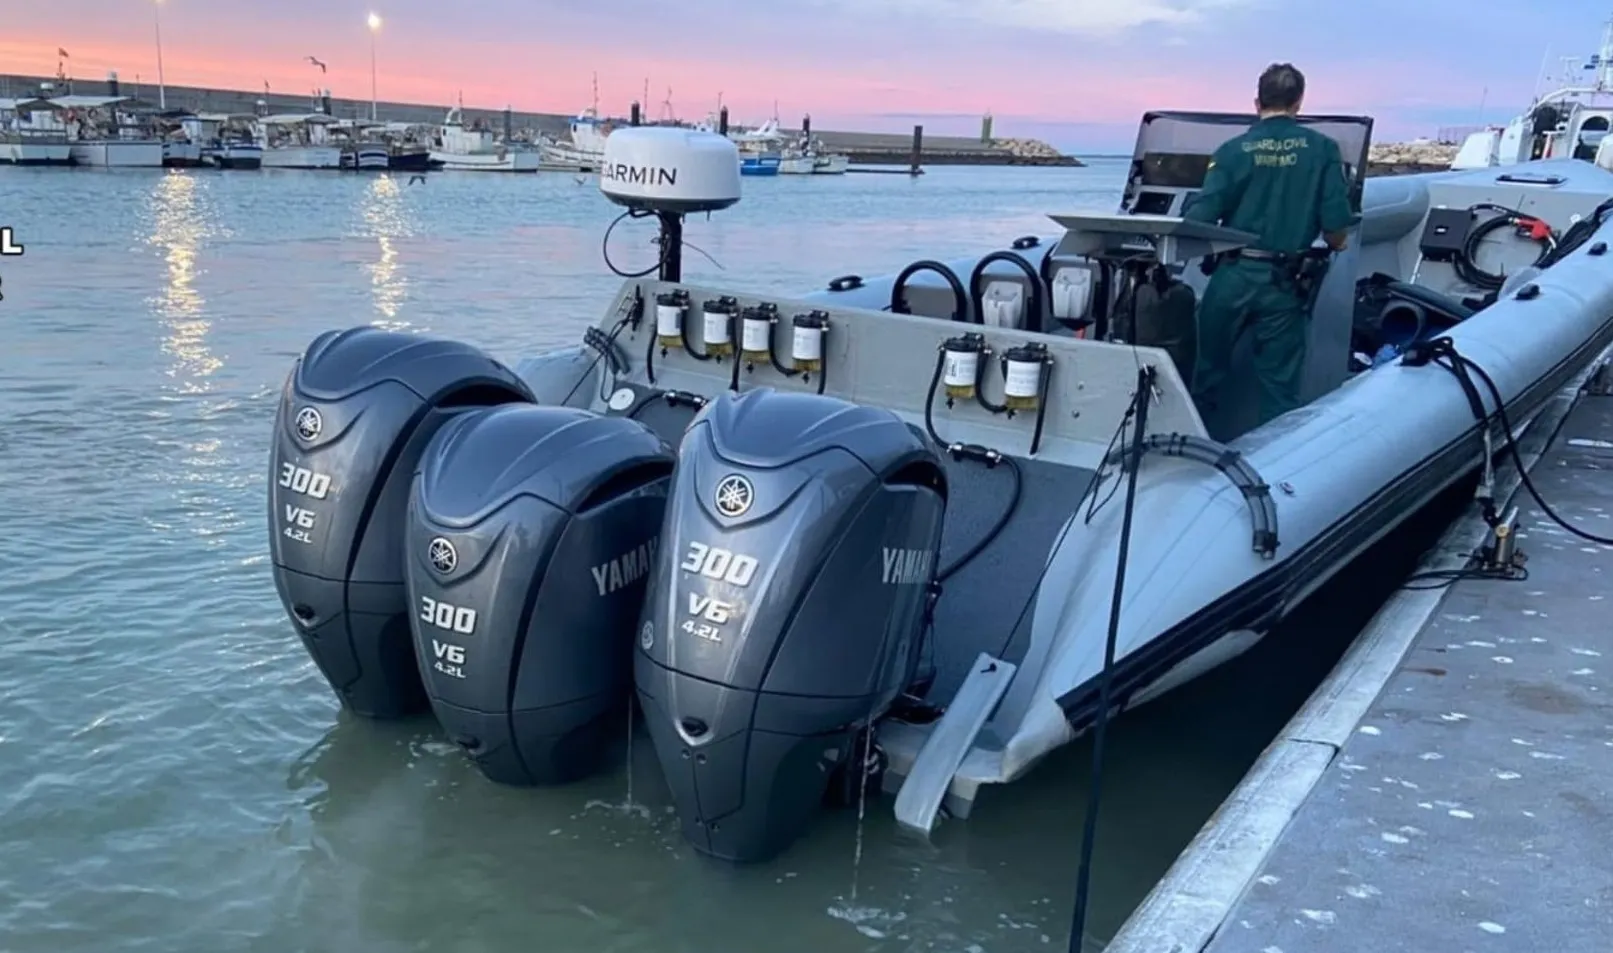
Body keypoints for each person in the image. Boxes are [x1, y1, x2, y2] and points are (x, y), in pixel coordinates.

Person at [1185, 62, 1354, 426]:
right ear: (1298, 103)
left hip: (1231, 278)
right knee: (1280, 387)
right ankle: (1274, 464)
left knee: (1206, 373)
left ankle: (1193, 452)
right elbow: (1336, 232)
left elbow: (1199, 220)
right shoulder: (1322, 149)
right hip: (1284, 283)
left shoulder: (1232, 150)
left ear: (1256, 101)